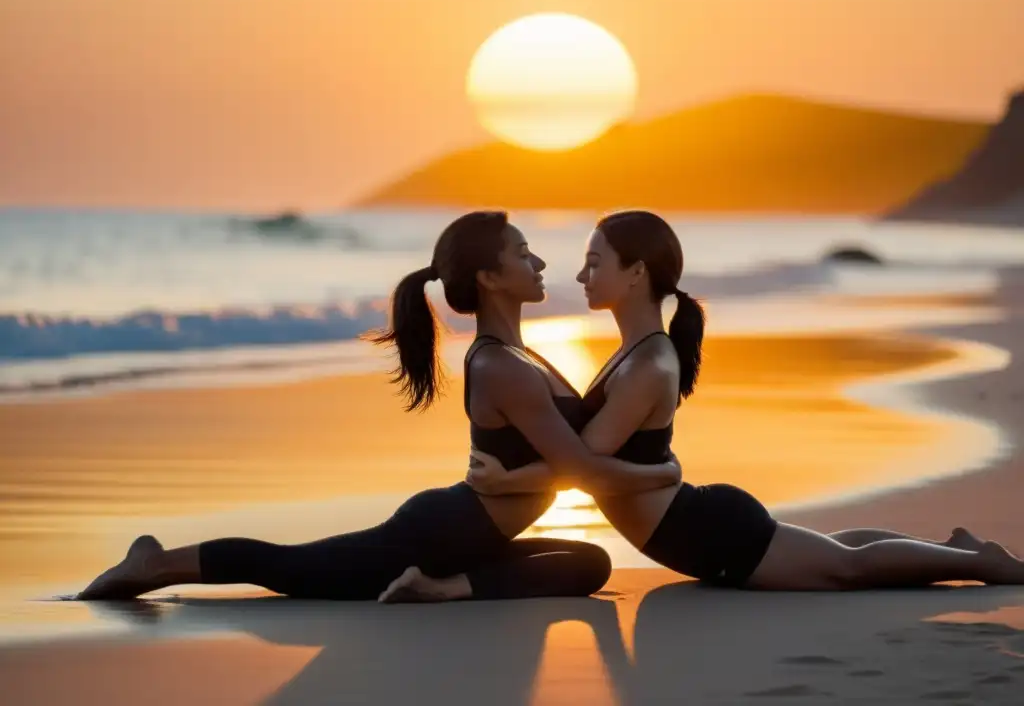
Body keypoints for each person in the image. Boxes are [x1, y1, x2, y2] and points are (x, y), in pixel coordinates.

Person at [76, 211, 682, 602]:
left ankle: (443, 590)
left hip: (467, 533)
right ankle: (155, 565)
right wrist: (663, 472)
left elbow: (569, 463)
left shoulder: (521, 356)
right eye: (523, 252)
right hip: (441, 531)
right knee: (294, 570)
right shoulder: (500, 364)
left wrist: (516, 479)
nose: (541, 262)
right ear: (489, 277)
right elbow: (578, 466)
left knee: (586, 563)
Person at [467, 210, 1024, 590]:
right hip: (695, 522)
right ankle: (953, 546)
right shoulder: (636, 351)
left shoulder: (647, 362)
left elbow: (583, 466)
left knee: (845, 569)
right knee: (832, 551)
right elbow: (592, 460)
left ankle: (982, 563)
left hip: (702, 532)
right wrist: (660, 473)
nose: (582, 274)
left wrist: (507, 482)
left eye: (595, 262)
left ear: (636, 273)